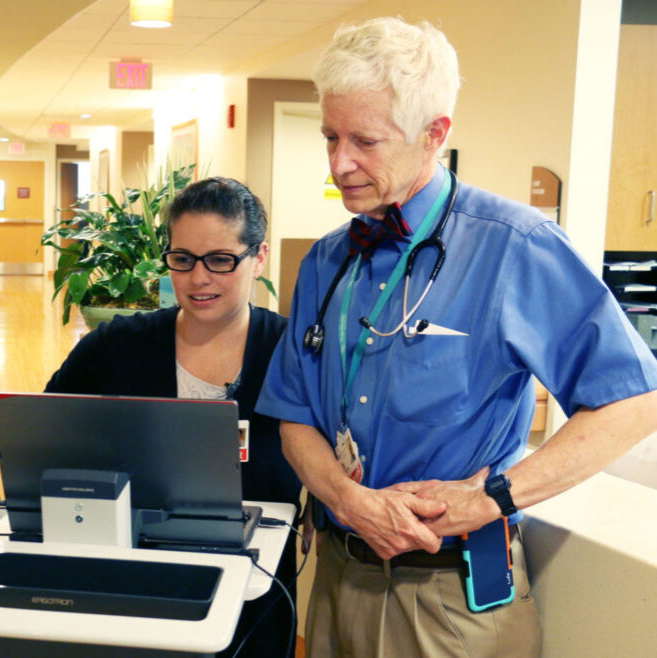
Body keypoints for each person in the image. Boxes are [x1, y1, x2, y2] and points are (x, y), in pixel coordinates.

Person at [255, 17, 657, 658]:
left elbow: (635, 402)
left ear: (434, 135)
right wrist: (346, 499)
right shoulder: (327, 262)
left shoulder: (515, 249)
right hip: (334, 584)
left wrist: (496, 496)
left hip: (450, 603)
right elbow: (293, 416)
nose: (338, 163)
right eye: (330, 136)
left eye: (365, 140)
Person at [46, 177, 301, 657]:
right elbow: (46, 432)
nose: (198, 279)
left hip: (255, 591)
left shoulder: (291, 354)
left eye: (221, 261)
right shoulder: (118, 346)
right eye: (182, 260)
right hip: (137, 586)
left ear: (259, 256)